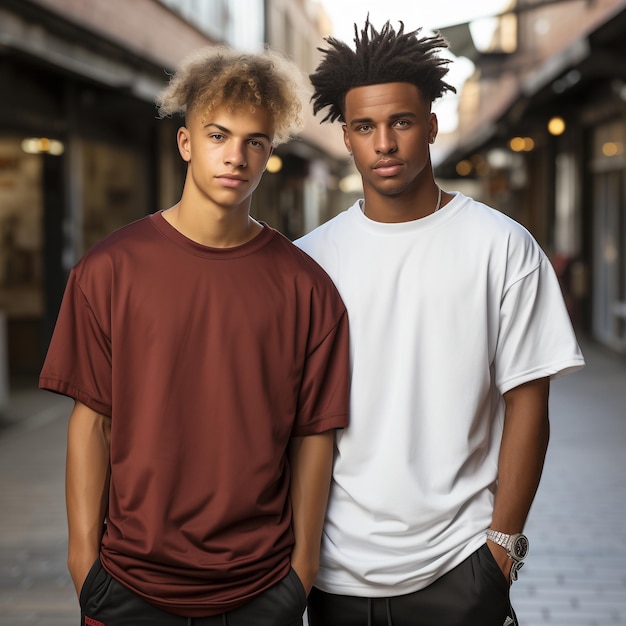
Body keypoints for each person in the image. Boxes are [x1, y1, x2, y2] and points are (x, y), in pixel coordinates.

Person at [39, 45, 350, 626]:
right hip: (128, 584)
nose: (235, 156)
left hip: (261, 588)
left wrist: (301, 572)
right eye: (217, 135)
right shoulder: (109, 270)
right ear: (186, 143)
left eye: (254, 141)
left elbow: (315, 437)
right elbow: (91, 422)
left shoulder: (306, 287)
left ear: (269, 153)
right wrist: (85, 564)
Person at [295, 19, 585, 626]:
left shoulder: (502, 247)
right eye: (364, 127)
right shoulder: (310, 260)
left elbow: (528, 401)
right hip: (333, 572)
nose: (385, 144)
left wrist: (501, 552)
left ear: (430, 124)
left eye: (401, 122)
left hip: (461, 567)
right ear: (345, 136)